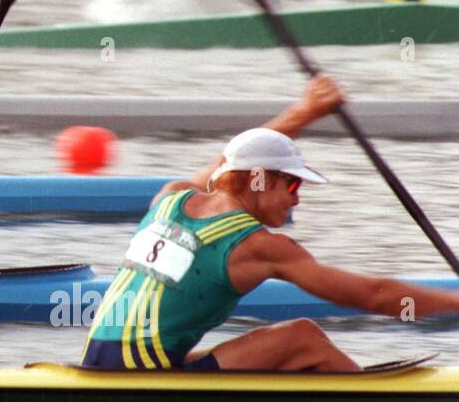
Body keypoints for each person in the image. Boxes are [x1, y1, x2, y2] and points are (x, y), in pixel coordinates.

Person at [82, 75, 459, 372]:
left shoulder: (172, 197)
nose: (297, 198)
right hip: (141, 373)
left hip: (98, 361)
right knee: (303, 339)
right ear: (261, 179)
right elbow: (373, 295)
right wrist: (454, 301)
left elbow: (230, 160)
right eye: (292, 184)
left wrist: (307, 111)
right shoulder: (258, 246)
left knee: (289, 347)